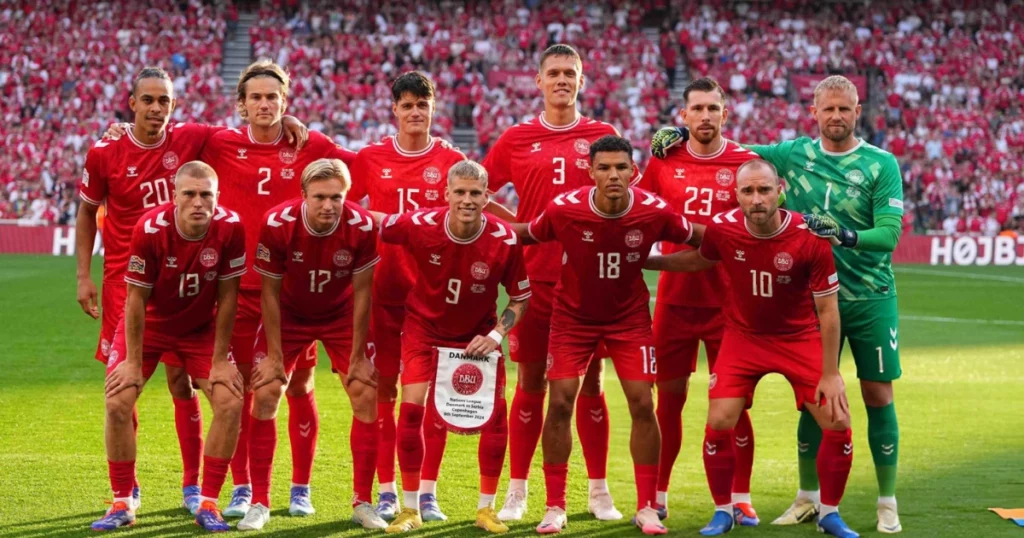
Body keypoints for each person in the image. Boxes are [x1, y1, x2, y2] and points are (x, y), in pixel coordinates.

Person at [651, 75, 905, 534]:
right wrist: (685, 136)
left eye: (844, 109)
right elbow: (734, 151)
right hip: (795, 309)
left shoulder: (879, 165)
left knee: (871, 398)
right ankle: (800, 499)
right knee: (774, 412)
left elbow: (889, 235)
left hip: (865, 296)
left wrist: (843, 234)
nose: (836, 116)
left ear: (857, 110)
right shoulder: (792, 155)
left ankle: (883, 501)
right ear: (814, 112)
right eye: (827, 109)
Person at [83, 67, 306, 514]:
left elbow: (225, 295)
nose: (156, 108)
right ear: (131, 104)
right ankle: (125, 495)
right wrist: (83, 279)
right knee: (125, 390)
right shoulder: (114, 164)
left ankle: (201, 493)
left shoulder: (197, 150)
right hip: (135, 294)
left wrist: (289, 125)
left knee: (207, 388)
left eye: (163, 101)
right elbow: (92, 219)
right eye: (147, 100)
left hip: (195, 303)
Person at [644, 159, 859, 538]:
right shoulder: (723, 230)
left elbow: (827, 309)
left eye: (764, 190)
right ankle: (724, 511)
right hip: (744, 338)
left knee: (838, 422)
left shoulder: (809, 237)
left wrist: (831, 372)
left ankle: (829, 514)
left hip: (798, 339)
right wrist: (652, 261)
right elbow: (700, 259)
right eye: (747, 191)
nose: (756, 199)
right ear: (737, 196)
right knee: (719, 420)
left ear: (780, 191)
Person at [511, 135, 700, 535]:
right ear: (591, 171)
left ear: (634, 171)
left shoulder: (655, 211)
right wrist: (464, 225)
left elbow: (709, 241)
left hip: (628, 319)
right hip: (572, 318)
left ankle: (647, 507)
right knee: (560, 402)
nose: (613, 175)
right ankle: (555, 506)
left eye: (621, 167)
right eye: (604, 167)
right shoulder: (565, 209)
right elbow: (527, 233)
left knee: (641, 403)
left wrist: (662, 261)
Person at [482, 44, 637, 521]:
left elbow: (627, 196)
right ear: (539, 81)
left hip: (592, 284)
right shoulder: (516, 137)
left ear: (582, 81)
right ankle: (519, 489)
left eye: (570, 72)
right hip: (537, 280)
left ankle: (598, 491)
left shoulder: (602, 135)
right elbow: (478, 191)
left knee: (591, 384)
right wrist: (523, 227)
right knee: (530, 381)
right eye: (554, 73)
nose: (562, 80)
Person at [200, 59, 357, 519]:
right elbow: (166, 140)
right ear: (241, 105)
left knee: (299, 384)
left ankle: (301, 487)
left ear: (285, 102)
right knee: (246, 388)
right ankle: (244, 488)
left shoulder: (311, 144)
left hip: (296, 292)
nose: (265, 104)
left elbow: (365, 167)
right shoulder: (218, 143)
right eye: (257, 98)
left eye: (273, 97)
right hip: (240, 289)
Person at [376, 160, 531, 534]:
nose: (466, 200)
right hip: (423, 329)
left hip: (476, 336)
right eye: (459, 192)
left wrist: (496, 335)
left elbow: (520, 297)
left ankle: (486, 509)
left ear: (487, 197)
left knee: (495, 416)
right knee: (411, 410)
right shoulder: (419, 224)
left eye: (475, 193)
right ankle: (410, 508)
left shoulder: (504, 239)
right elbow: (374, 221)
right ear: (445, 194)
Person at [90, 162, 247, 532]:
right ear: (174, 196)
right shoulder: (150, 228)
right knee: (117, 401)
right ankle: (122, 501)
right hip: (151, 326)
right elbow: (135, 299)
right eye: (189, 194)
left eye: (205, 194)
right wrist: (130, 361)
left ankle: (208, 502)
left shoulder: (231, 227)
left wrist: (221, 358)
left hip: (200, 328)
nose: (197, 202)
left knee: (230, 401)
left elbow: (228, 298)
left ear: (216, 197)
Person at [346, 71, 467, 522]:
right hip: (383, 292)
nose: (415, 112)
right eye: (407, 104)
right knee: (385, 394)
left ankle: (427, 490)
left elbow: (472, 211)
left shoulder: (451, 159)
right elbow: (347, 205)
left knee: (432, 396)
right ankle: (386, 489)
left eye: (423, 104)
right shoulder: (371, 157)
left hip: (435, 299)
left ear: (433, 109)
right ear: (394, 110)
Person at [639, 77, 760, 524]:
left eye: (713, 108)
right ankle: (657, 493)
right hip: (673, 303)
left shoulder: (748, 163)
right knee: (667, 404)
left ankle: (739, 496)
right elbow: (641, 209)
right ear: (684, 115)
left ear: (725, 115)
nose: (705, 116)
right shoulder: (663, 160)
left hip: (731, 307)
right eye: (698, 108)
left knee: (732, 407)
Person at [239, 158, 383, 530]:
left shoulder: (362, 225)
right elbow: (268, 294)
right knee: (267, 389)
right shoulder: (278, 224)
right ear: (303, 195)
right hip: (289, 313)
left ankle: (363, 502)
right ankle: (260, 502)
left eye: (336, 197)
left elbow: (364, 293)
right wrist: (273, 356)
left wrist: (357, 357)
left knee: (365, 392)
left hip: (340, 313)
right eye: (319, 197)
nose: (328, 205)